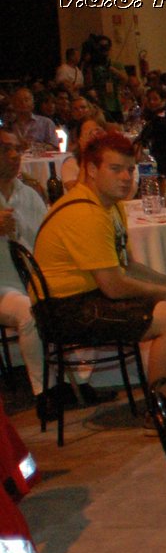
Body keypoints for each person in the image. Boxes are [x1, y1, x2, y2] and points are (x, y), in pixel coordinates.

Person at [31, 133, 166, 397]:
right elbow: (114, 286)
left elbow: (128, 266)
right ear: (92, 170)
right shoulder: (87, 213)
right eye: (116, 169)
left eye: (130, 170)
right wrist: (164, 292)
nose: (125, 177)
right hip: (62, 309)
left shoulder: (110, 205)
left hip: (82, 298)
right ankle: (161, 409)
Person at [0, 129, 49, 417]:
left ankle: (75, 380)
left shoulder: (28, 194)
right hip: (3, 287)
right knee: (29, 312)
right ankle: (43, 393)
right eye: (6, 149)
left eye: (17, 149)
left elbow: (44, 240)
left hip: (30, 280)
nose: (14, 155)